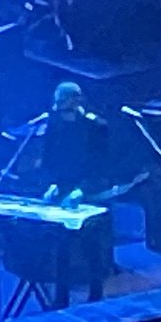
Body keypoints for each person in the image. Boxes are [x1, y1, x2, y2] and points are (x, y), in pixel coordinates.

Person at [29, 81, 112, 308]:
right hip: (64, 188)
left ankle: (96, 294)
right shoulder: (54, 125)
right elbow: (49, 160)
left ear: (75, 102)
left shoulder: (95, 127)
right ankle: (61, 298)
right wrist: (52, 185)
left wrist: (82, 190)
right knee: (61, 247)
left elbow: (101, 166)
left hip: (89, 192)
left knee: (91, 246)